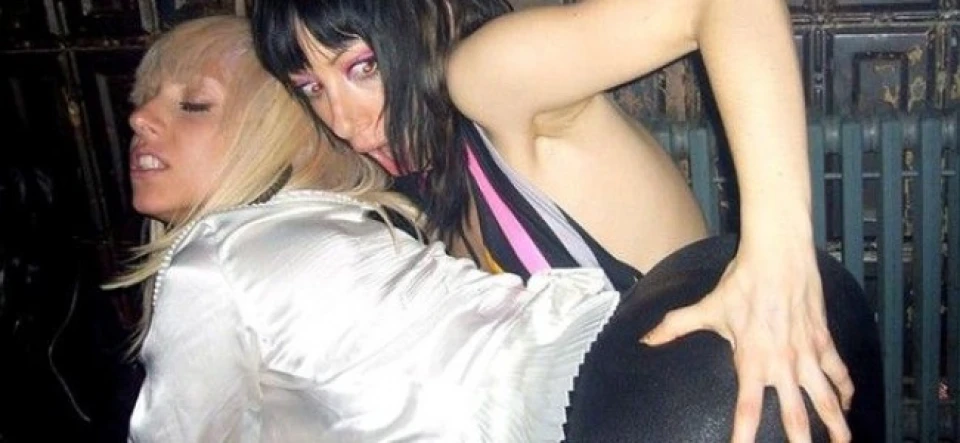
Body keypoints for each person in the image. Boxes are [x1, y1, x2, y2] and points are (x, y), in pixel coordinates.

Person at [115, 14, 882, 443]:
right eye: (312, 87)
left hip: (737, 394)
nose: (344, 119)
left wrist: (778, 254)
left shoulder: (485, 79)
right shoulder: (422, 193)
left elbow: (721, 4)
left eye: (361, 67)